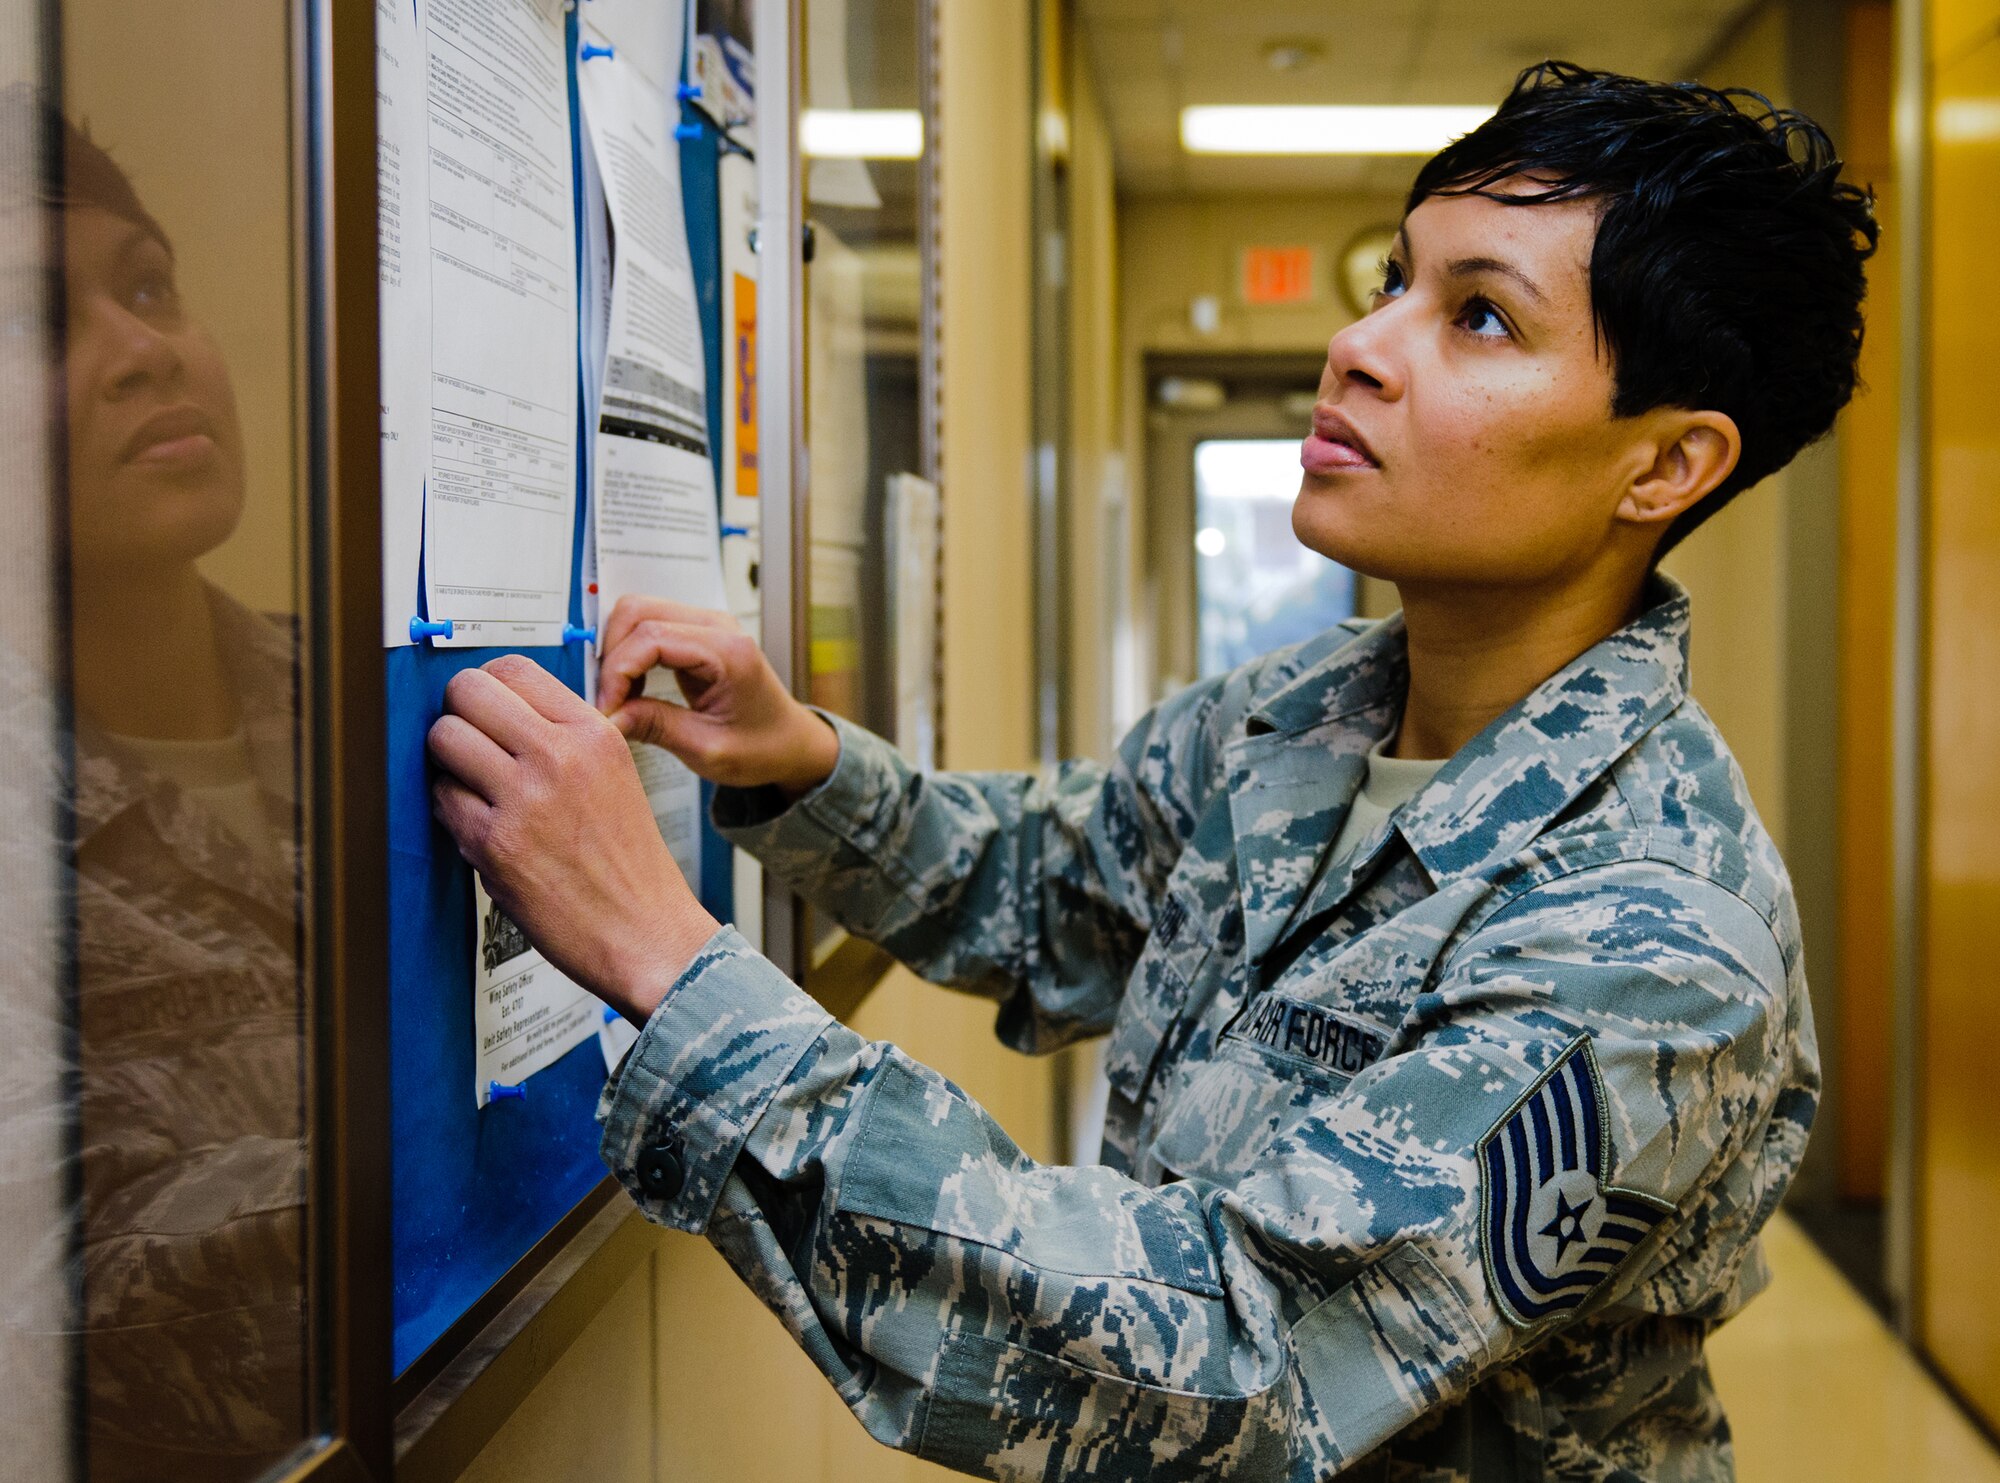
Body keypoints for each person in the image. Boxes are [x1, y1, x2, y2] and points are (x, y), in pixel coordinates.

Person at [428, 63, 1875, 1479]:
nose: (1364, 345)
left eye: (1481, 317)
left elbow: (1232, 1366)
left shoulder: (1656, 936)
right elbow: (1050, 887)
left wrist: (672, 969)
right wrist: (797, 763)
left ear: (1665, 468)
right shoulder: (1308, 708)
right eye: (1394, 280)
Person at [2, 88, 309, 1481]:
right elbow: (84, 1317)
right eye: (36, 322)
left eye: (151, 286)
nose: (143, 352)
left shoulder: (371, 715)